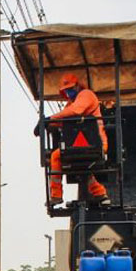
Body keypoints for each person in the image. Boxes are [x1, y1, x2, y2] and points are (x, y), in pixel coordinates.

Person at [45, 74, 109, 208]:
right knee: (83, 166)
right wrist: (48, 124)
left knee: (56, 157)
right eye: (66, 90)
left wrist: (50, 118)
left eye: (71, 88)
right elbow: (64, 120)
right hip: (81, 146)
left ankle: (56, 195)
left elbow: (76, 111)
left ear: (78, 86)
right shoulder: (71, 104)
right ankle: (99, 193)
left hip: (95, 143)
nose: (69, 92)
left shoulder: (86, 95)